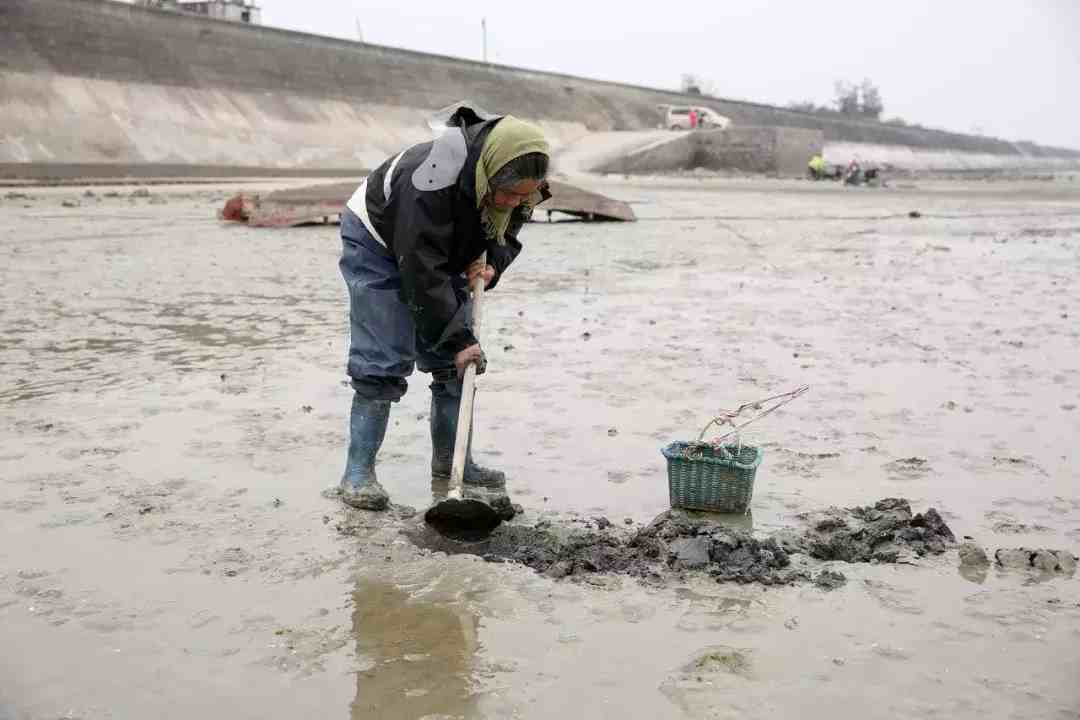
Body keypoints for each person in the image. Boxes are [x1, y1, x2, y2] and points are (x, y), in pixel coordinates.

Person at [337, 105, 550, 510]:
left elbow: (508, 227)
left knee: (457, 366)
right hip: (379, 239)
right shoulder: (429, 182)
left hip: (440, 244)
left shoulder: (521, 174)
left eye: (523, 196)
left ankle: (453, 465)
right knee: (383, 358)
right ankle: (357, 474)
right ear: (488, 172)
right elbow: (421, 271)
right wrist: (458, 338)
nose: (512, 201)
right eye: (506, 193)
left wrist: (492, 265)